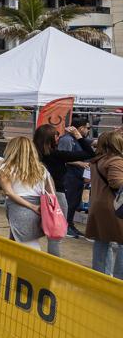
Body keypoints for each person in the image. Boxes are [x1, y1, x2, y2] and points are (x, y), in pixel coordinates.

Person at [0, 136, 56, 253]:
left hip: (20, 208)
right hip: (38, 208)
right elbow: (51, 191)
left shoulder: (5, 168)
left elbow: (8, 192)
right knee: (20, 240)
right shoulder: (41, 169)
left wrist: (31, 206)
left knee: (29, 246)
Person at [35, 123, 93, 246]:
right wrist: (78, 136)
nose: (58, 139)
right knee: (55, 234)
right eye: (56, 136)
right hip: (55, 195)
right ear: (50, 138)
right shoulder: (57, 155)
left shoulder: (33, 154)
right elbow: (90, 153)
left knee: (29, 232)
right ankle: (53, 261)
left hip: (34, 193)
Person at [85, 129, 123, 278]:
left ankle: (100, 278)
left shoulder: (97, 160)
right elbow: (116, 182)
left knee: (101, 242)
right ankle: (119, 281)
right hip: (114, 208)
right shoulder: (116, 161)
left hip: (98, 206)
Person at [57, 116, 94, 237]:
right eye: (88, 128)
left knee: (74, 202)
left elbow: (94, 143)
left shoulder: (80, 139)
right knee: (68, 202)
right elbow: (62, 157)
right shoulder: (67, 139)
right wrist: (79, 163)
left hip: (78, 176)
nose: (88, 130)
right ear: (81, 128)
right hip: (69, 176)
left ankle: (70, 224)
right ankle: (65, 225)